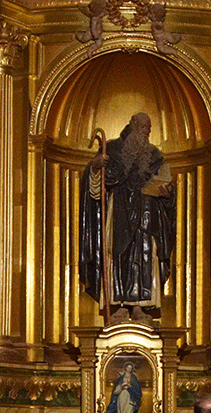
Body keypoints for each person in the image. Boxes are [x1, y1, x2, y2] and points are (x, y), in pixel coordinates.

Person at [79, 112, 176, 314]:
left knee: (146, 254)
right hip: (119, 212)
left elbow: (166, 187)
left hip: (147, 214)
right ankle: (119, 305)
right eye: (143, 127)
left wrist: (166, 194)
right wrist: (95, 168)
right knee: (118, 254)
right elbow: (96, 189)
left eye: (149, 129)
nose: (146, 132)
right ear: (132, 126)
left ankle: (140, 305)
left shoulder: (155, 156)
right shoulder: (112, 150)